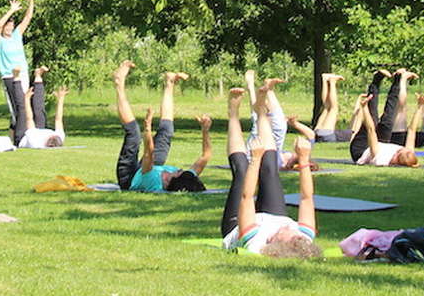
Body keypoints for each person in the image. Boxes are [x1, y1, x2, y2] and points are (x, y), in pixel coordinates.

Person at [220, 74, 321, 258]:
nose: (289, 227)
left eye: (288, 232)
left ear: (277, 241)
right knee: (270, 169)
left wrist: (255, 159)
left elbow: (247, 197)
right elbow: (306, 198)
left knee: (242, 171)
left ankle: (233, 114)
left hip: (238, 225)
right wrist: (304, 161)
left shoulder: (255, 241)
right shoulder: (303, 238)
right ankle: (261, 113)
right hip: (270, 216)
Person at [112, 61, 210, 192]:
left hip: (129, 176)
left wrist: (147, 128)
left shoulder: (153, 182)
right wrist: (205, 130)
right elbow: (206, 155)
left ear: (171, 179)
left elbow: (149, 154)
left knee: (134, 133)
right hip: (153, 166)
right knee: (167, 131)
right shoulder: (186, 178)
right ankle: (170, 83)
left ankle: (119, 83)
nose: (180, 169)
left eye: (179, 172)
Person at [0, 0, 35, 141]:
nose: (10, 28)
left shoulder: (17, 35)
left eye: (11, 26)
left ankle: (17, 137)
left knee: (23, 105)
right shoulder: (0, 42)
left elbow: (27, 18)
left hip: (22, 74)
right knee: (16, 108)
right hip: (9, 77)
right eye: (8, 26)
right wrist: (11, 10)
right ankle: (18, 138)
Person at [347, 89, 423, 167]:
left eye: (400, 150)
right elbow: (412, 130)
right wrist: (420, 107)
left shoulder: (380, 159)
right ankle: (395, 86)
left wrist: (365, 108)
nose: (401, 148)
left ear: (396, 157)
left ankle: (371, 93)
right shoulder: (407, 152)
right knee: (388, 123)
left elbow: (370, 130)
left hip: (360, 149)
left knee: (373, 118)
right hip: (381, 144)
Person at [20, 76, 69, 149]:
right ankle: (38, 79)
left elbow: (29, 119)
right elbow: (58, 119)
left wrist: (26, 99)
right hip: (39, 129)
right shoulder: (60, 136)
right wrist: (61, 99)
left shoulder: (34, 141)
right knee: (40, 113)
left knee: (20, 114)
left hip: (23, 137)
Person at [311, 73, 353, 143]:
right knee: (327, 107)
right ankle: (326, 80)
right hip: (318, 133)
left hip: (325, 134)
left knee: (333, 108)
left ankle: (331, 81)